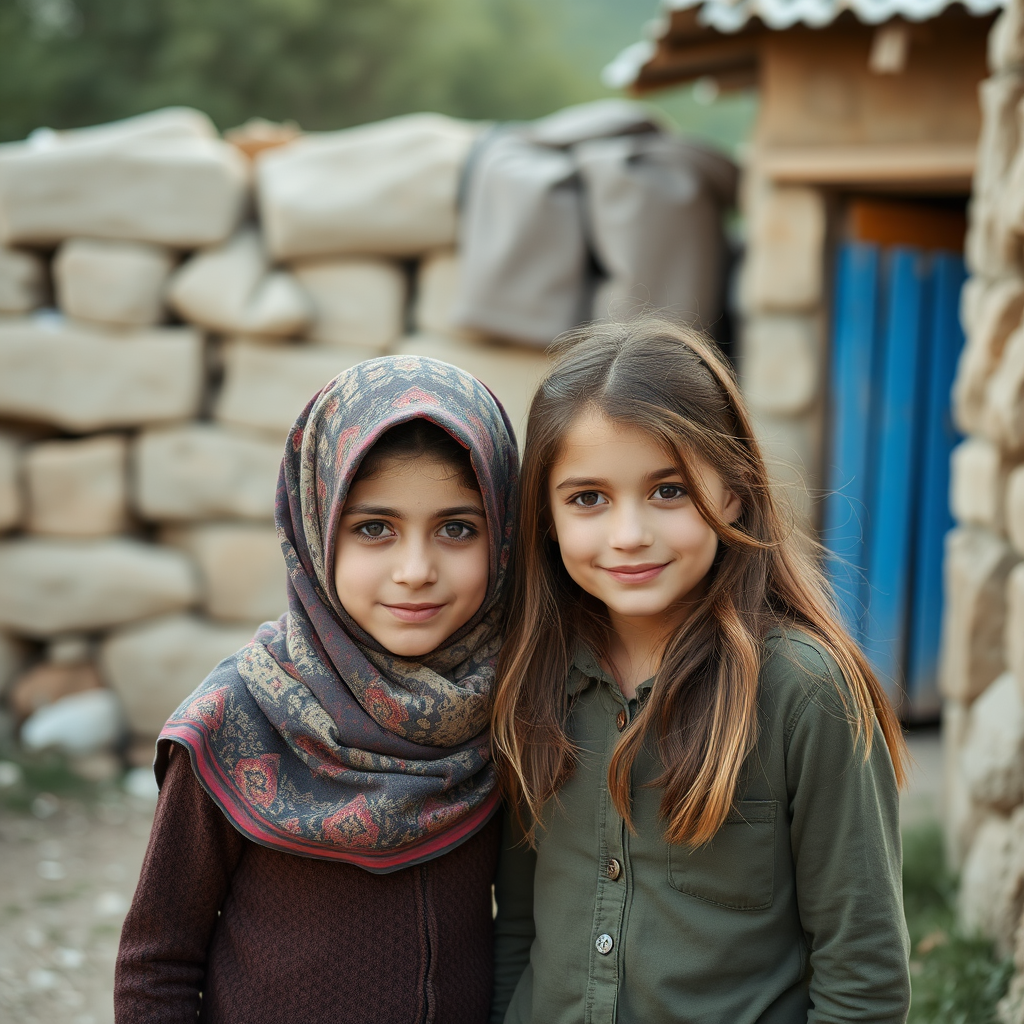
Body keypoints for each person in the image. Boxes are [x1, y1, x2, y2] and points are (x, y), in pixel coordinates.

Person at [490, 319, 911, 1024]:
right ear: (546, 517)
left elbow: (862, 975)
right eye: (587, 498)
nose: (629, 534)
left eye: (669, 491)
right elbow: (517, 932)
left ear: (735, 492)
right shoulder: (531, 681)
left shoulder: (807, 696)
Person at [115, 355, 519, 1024]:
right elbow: (157, 962)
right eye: (374, 529)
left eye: (457, 528)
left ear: (504, 536)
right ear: (314, 526)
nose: (415, 570)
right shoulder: (237, 717)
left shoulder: (506, 706)